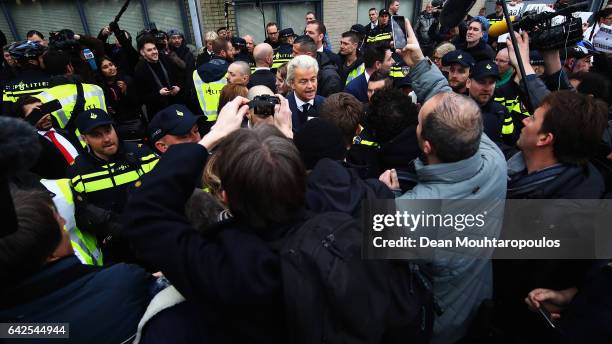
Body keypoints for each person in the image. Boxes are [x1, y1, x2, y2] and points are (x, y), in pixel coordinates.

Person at [379, 20, 507, 343]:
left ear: (426, 146)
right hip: (476, 302)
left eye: (420, 120)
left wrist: (386, 195)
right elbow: (448, 104)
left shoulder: (408, 213)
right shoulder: (494, 162)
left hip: (435, 325)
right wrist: (420, 63)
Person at [0, 189, 154, 343]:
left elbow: (57, 331)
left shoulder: (9, 330)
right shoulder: (125, 283)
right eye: (60, 222)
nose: (65, 222)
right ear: (53, 253)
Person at [67, 108, 158, 262]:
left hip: (156, 235)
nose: (106, 139)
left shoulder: (142, 154)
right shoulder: (77, 172)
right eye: (96, 135)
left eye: (108, 130)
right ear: (84, 138)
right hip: (119, 250)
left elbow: (164, 188)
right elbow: (83, 214)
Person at [14, 96, 81, 179]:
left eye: (44, 109)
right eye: (36, 113)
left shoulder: (67, 133)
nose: (44, 115)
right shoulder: (28, 145)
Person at [97, 57, 146, 141]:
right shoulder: (100, 88)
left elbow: (139, 101)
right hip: (115, 124)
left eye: (111, 65)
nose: (110, 68)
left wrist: (126, 92)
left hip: (133, 121)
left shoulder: (126, 80)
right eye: (105, 67)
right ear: (101, 71)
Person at [134, 35, 183, 119]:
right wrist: (159, 94)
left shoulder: (165, 59)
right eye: (149, 50)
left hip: (176, 105)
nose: (154, 52)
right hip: (158, 112)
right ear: (142, 53)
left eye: (154, 48)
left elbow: (180, 76)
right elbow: (141, 97)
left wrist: (178, 87)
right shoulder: (139, 69)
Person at [466, 60, 512, 144]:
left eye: (491, 82)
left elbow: (509, 143)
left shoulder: (501, 111)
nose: (487, 88)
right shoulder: (455, 109)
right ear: (468, 82)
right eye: (481, 82)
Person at [191, 37, 234, 125]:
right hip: (227, 118)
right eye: (230, 50)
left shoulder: (196, 73)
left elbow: (192, 97)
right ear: (223, 53)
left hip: (204, 121)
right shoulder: (231, 71)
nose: (232, 52)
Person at [2, 40, 50, 117]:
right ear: (32, 61)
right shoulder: (52, 80)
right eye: (41, 57)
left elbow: (7, 116)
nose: (44, 59)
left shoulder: (8, 88)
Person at [286, 55, 325, 131]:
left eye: (313, 80)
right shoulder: (283, 108)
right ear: (292, 84)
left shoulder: (326, 105)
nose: (310, 86)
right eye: (303, 82)